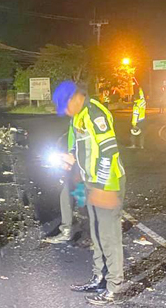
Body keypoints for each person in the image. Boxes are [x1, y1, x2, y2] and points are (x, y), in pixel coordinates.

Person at [52, 81, 126, 305]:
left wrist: (102, 186)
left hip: (108, 182)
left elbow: (109, 150)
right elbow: (78, 147)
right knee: (95, 231)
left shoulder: (95, 113)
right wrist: (70, 159)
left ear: (75, 98)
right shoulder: (78, 116)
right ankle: (99, 276)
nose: (65, 112)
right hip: (91, 182)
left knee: (108, 235)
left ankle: (114, 287)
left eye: (65, 107)